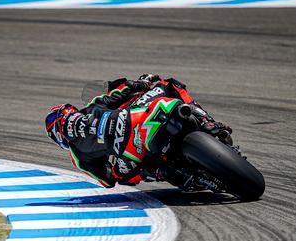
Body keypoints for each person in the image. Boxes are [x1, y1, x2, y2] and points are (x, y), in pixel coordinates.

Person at [45, 74, 232, 188]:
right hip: (137, 118)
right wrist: (143, 82)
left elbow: (108, 180)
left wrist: (115, 158)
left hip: (130, 153)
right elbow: (123, 91)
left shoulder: (78, 156)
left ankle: (163, 172)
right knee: (169, 84)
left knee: (124, 176)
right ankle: (207, 122)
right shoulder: (92, 107)